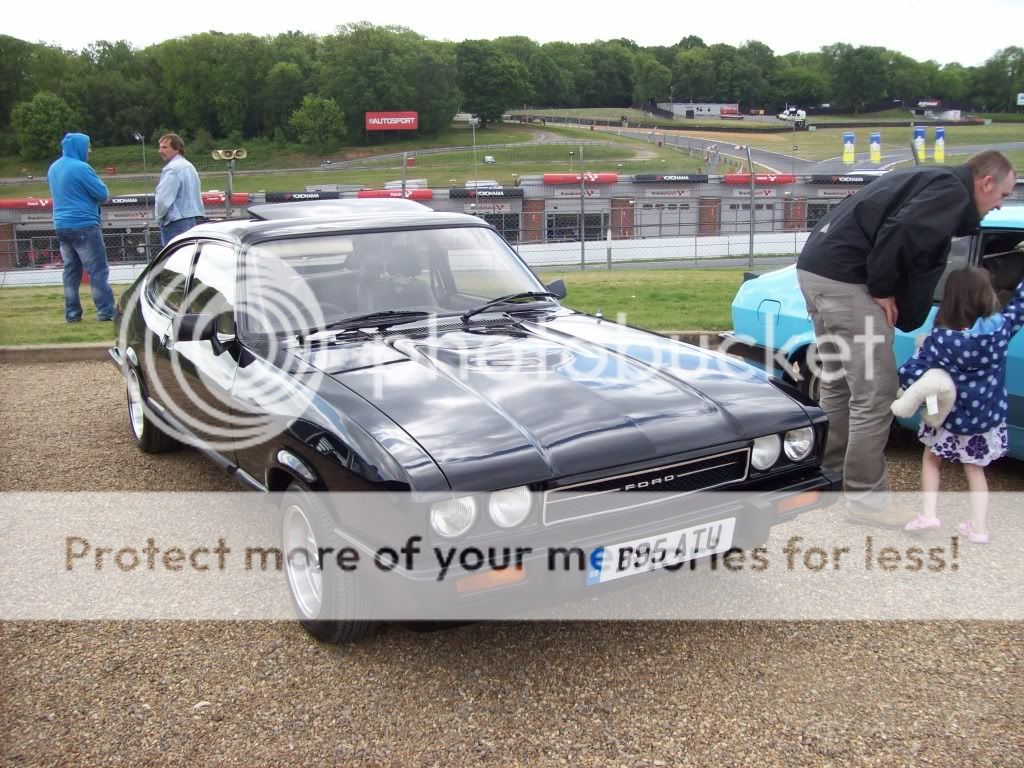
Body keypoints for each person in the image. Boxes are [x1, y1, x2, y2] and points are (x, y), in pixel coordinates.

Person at [796, 150, 1016, 527]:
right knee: (876, 394)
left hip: (817, 270)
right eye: (1002, 195)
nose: (999, 205)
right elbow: (900, 232)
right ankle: (867, 503)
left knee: (838, 385)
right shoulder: (950, 191)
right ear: (986, 182)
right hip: (847, 281)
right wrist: (881, 288)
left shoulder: (934, 180)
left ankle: (828, 476)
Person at [900, 266, 1024, 543]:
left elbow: (911, 371)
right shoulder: (1001, 330)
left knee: (932, 460)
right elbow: (1020, 304)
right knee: (975, 470)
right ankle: (978, 529)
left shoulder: (941, 339)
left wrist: (916, 379)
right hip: (984, 420)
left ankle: (929, 514)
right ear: (986, 296)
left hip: (947, 419)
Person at [46, 132, 116, 323]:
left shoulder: (54, 168)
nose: (89, 151)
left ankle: (72, 313)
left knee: (70, 271)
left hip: (61, 225)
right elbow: (102, 194)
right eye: (88, 147)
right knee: (97, 270)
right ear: (80, 147)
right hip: (84, 225)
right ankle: (106, 311)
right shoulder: (81, 168)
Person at [155, 133, 204, 247]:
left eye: (165, 147)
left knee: (173, 259)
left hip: (175, 222)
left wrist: (158, 217)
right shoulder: (189, 166)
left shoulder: (172, 169)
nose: (160, 151)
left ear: (177, 149)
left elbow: (163, 199)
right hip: (191, 220)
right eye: (160, 147)